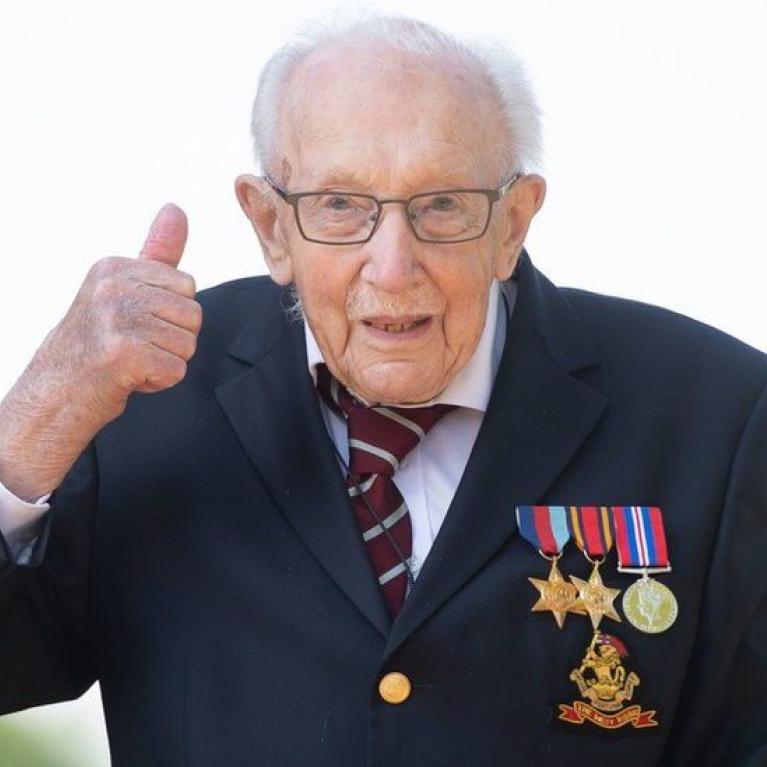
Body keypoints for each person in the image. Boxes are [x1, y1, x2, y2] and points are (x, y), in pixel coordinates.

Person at [0, 13, 765, 767]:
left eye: (440, 204)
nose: (392, 265)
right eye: (339, 205)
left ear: (512, 222)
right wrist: (37, 419)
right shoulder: (142, 393)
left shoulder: (715, 412)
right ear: (270, 225)